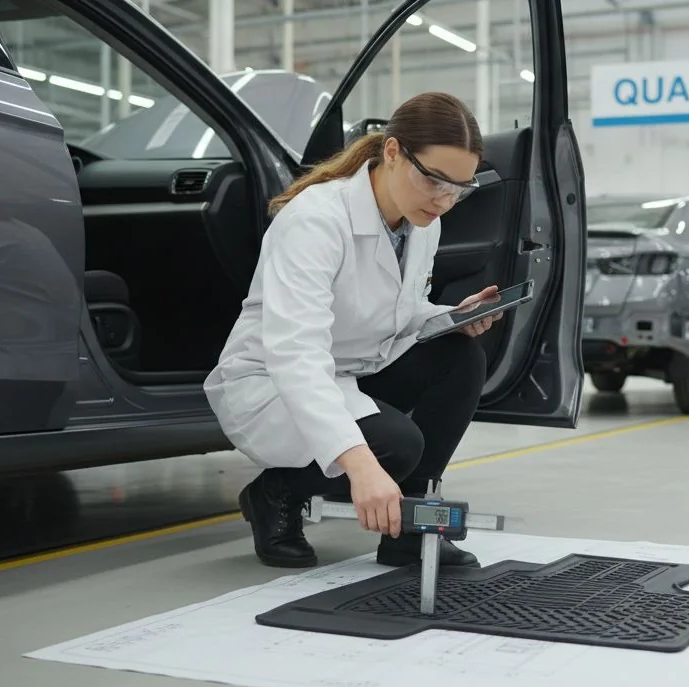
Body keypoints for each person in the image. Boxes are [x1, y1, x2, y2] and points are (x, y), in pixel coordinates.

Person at [203, 92, 501, 569]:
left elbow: (391, 312)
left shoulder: (421, 220)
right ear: (392, 152)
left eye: (459, 189)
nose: (445, 201)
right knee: (396, 445)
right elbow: (296, 356)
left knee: (461, 357)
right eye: (434, 181)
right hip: (274, 384)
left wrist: (448, 316)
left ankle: (409, 530)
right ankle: (274, 494)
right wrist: (362, 466)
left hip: (352, 369)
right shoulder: (315, 221)